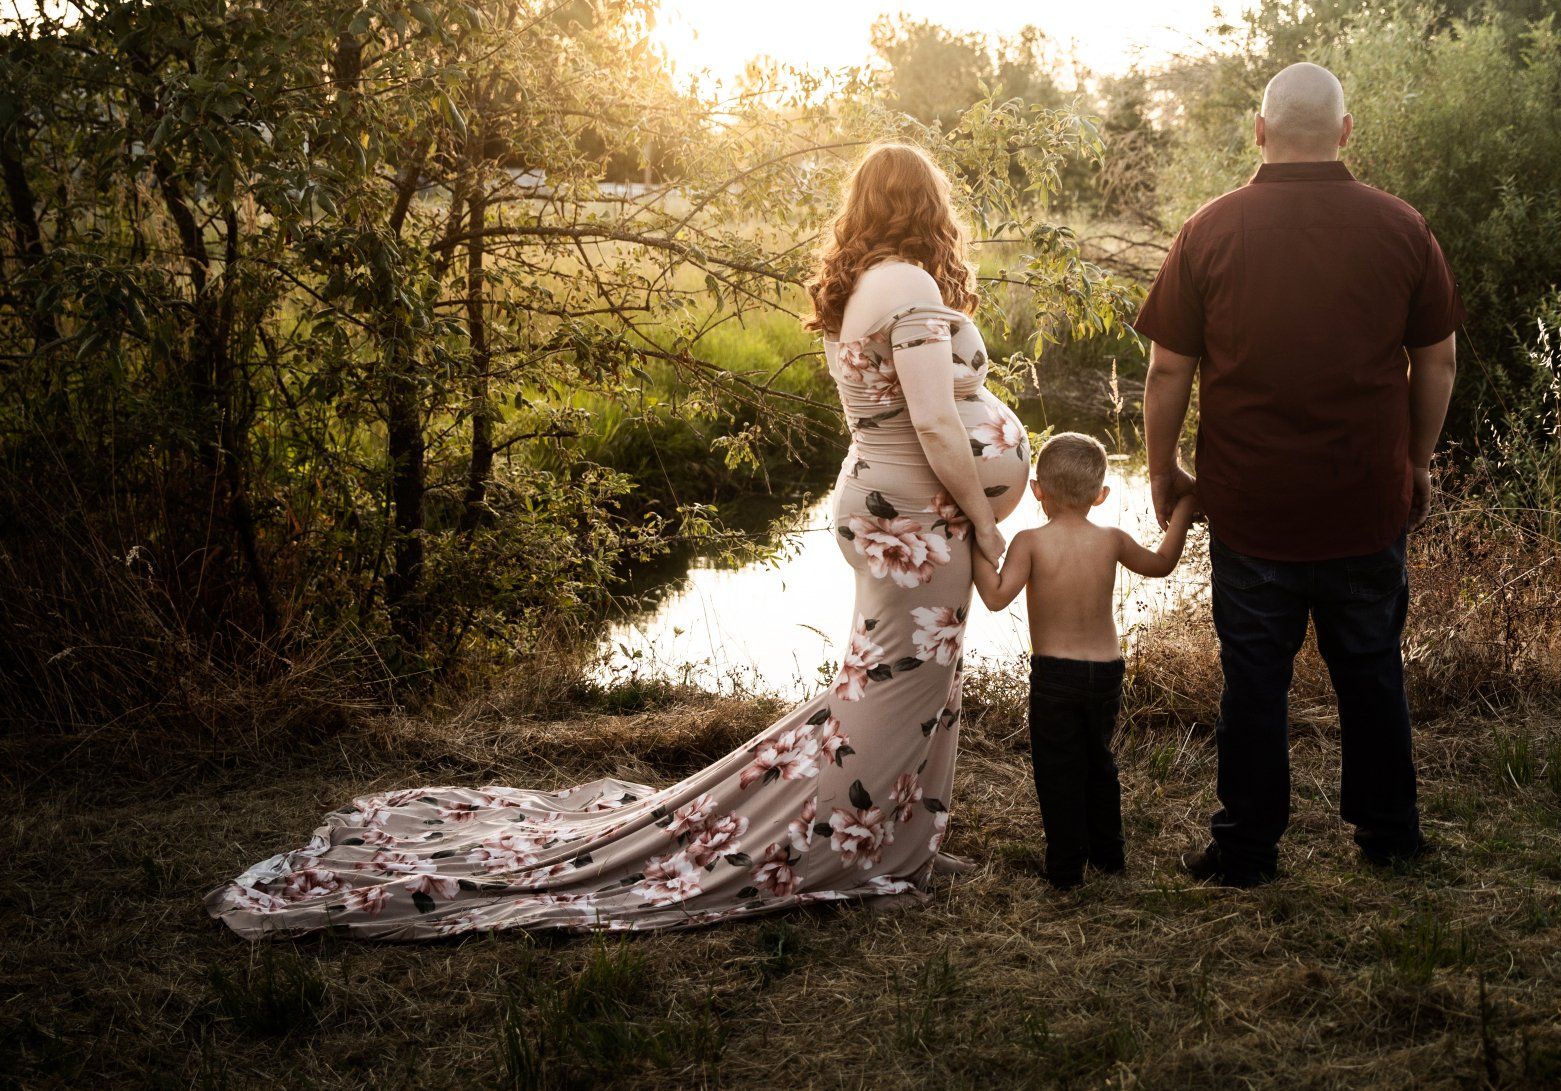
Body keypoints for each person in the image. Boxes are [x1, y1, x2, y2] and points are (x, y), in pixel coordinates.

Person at [206, 143, 1029, 939]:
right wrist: (990, 523)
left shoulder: (860, 281)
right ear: (926, 205)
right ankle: (856, 863)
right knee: (892, 687)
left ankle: (907, 851)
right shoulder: (910, 280)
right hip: (914, 519)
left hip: (895, 509)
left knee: (915, 680)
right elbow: (929, 419)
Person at [1134, 62, 1462, 886]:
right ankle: (1390, 835)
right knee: (1371, 670)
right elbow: (1440, 360)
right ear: (1346, 132)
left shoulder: (1210, 229)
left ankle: (1246, 847)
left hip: (1252, 508)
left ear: (1259, 130)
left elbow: (1167, 370)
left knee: (1253, 682)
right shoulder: (1402, 227)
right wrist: (1416, 463)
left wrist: (1163, 467)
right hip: (1363, 500)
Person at [970, 432, 1200, 889]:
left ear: (1037, 489)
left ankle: (1065, 869)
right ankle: (1109, 855)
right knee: (1099, 761)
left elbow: (995, 597)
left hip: (1056, 675)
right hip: (1107, 674)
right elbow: (1161, 563)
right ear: (1101, 495)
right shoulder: (1111, 539)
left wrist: (971, 540)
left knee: (1058, 769)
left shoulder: (1030, 542)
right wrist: (1186, 509)